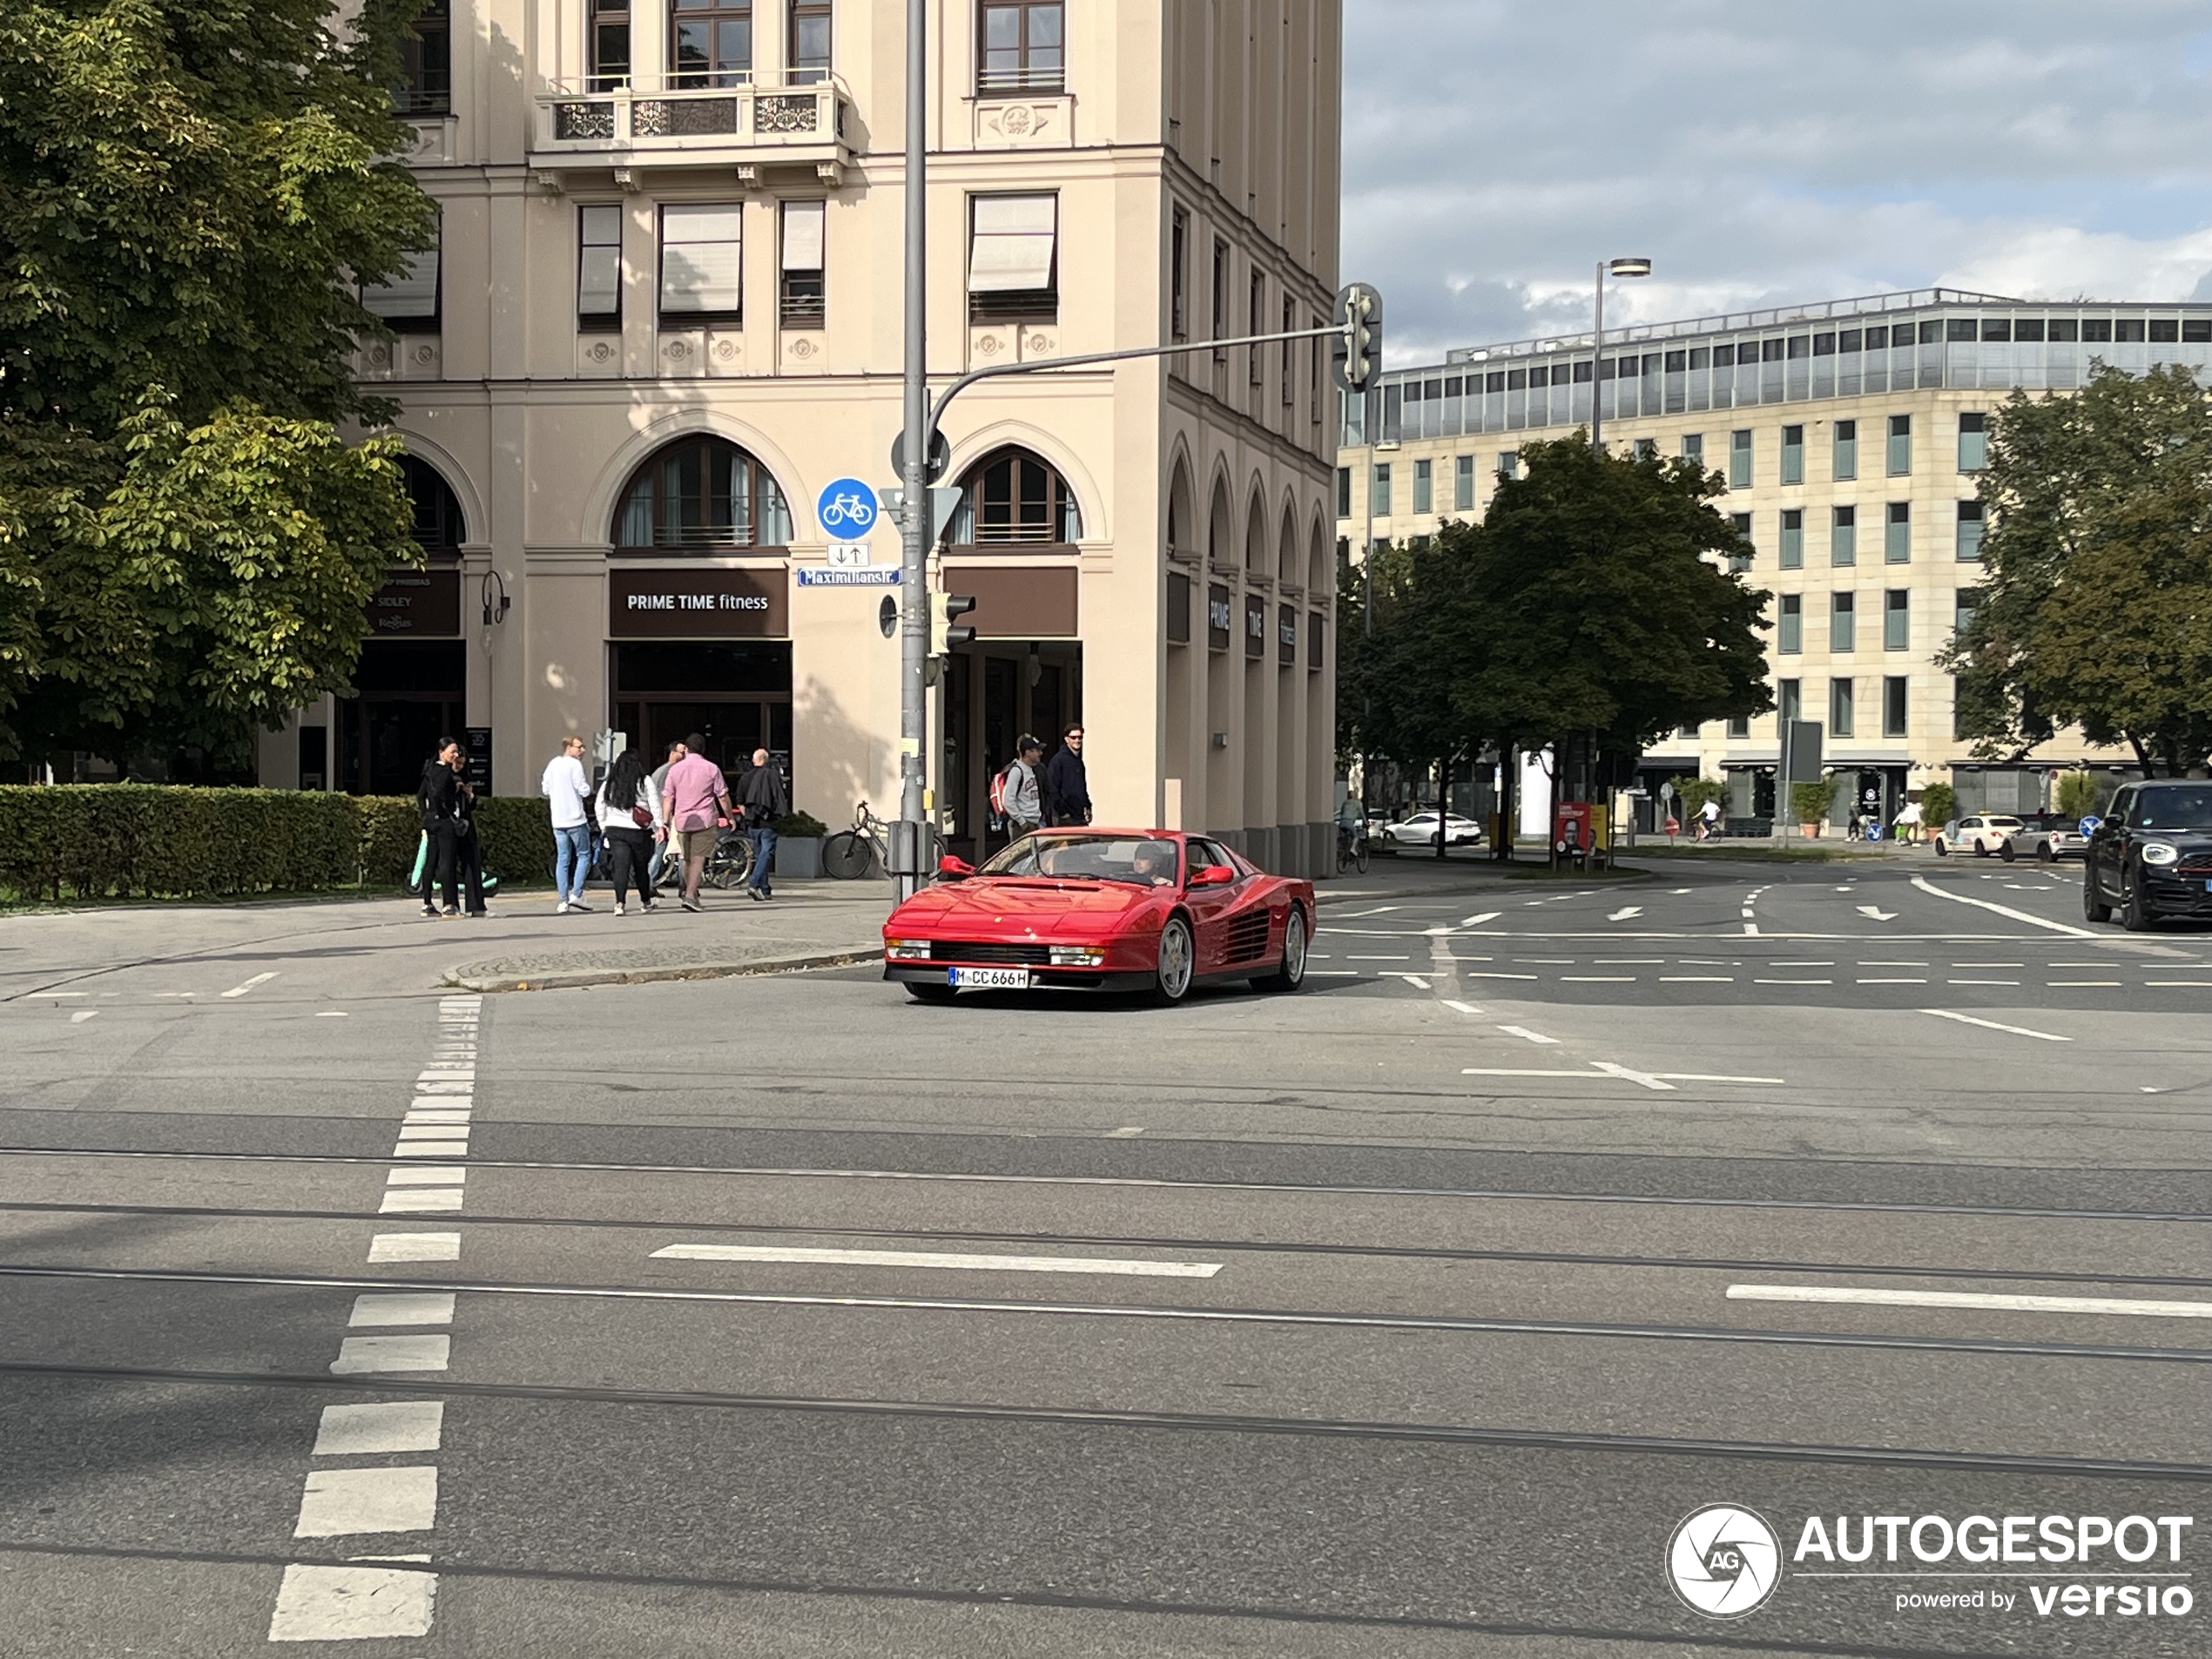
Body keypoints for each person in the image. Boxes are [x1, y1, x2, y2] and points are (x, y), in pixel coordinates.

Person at [661, 732, 733, 912]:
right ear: (703, 749)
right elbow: (722, 796)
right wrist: (730, 817)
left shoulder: (675, 769)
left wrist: (665, 821)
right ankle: (691, 895)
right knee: (698, 858)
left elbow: (668, 797)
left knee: (686, 858)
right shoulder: (711, 768)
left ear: (686, 749)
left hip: (682, 819)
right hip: (705, 819)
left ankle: (689, 891)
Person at [596, 746, 663, 916]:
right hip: (638, 831)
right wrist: (659, 826)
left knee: (621, 867)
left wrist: (604, 825)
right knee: (641, 868)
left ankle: (619, 904)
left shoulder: (610, 782)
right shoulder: (644, 780)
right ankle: (646, 901)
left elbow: (599, 805)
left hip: (615, 829)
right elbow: (654, 804)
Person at [541, 733, 594, 914]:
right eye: (579, 747)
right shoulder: (575, 765)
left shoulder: (553, 764)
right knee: (584, 854)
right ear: (569, 747)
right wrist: (588, 790)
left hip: (558, 819)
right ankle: (577, 893)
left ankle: (563, 899)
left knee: (563, 858)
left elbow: (545, 788)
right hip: (575, 818)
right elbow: (583, 789)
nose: (582, 750)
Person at [417, 738, 464, 917]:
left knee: (431, 861)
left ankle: (427, 902)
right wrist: (448, 808)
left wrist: (426, 815)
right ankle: (449, 903)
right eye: (452, 751)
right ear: (441, 752)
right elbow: (438, 794)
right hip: (445, 821)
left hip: (431, 821)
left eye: (456, 751)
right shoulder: (446, 772)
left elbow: (421, 796)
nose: (456, 755)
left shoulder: (430, 771)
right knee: (447, 862)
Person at [736, 748, 788, 902]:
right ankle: (753, 884)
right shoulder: (772, 775)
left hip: (752, 823)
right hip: (768, 822)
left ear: (754, 760)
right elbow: (779, 797)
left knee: (760, 856)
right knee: (766, 853)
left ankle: (765, 890)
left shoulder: (745, 778)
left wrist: (748, 816)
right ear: (766, 760)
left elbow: (740, 801)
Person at [447, 743, 488, 916]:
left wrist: (470, 796)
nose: (459, 767)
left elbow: (472, 805)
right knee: (448, 865)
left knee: (472, 863)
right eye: (457, 764)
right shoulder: (444, 776)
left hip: (465, 822)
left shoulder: (465, 777)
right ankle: (451, 904)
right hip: (448, 824)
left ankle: (476, 905)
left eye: (462, 764)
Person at [647, 738, 685, 889]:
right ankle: (684, 885)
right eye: (682, 753)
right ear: (673, 753)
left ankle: (649, 883)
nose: (685, 756)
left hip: (663, 818)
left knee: (662, 851)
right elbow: (665, 797)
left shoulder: (663, 770)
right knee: (676, 851)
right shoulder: (669, 771)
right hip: (666, 819)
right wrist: (665, 821)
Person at [1043, 725, 1092, 826]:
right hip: (1066, 818)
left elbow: (1081, 787)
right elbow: (1052, 788)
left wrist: (1087, 806)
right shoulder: (1057, 761)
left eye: (1080, 737)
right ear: (1067, 739)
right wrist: (1063, 813)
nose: (1077, 740)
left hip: (1079, 816)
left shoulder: (1078, 761)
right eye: (1073, 737)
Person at [1001, 734, 1044, 839]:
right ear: (1028, 752)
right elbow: (1008, 801)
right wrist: (1022, 822)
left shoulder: (1033, 770)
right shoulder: (1017, 771)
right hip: (1021, 826)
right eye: (1037, 750)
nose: (1040, 753)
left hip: (1034, 822)